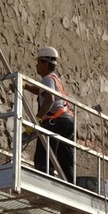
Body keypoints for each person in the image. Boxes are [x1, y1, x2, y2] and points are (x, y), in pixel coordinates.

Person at [23, 46, 75, 183]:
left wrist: (37, 119)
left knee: (43, 158)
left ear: (45, 63)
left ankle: (45, 183)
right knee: (64, 159)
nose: (37, 65)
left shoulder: (47, 79)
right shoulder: (54, 79)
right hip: (67, 122)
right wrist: (25, 86)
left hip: (55, 122)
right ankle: (71, 185)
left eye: (39, 62)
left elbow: (49, 99)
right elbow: (42, 91)